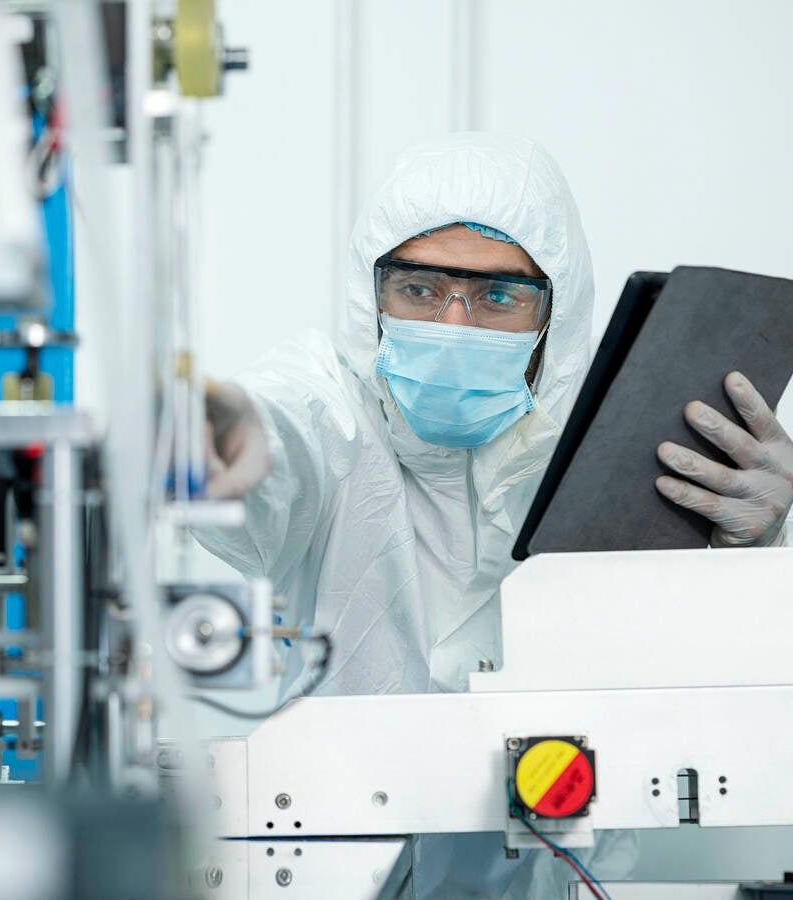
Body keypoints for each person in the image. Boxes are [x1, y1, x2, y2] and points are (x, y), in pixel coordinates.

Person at [196, 132, 793, 898]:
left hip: (569, 881)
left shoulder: (630, 447)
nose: (452, 325)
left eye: (498, 297)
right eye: (418, 290)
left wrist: (760, 549)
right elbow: (276, 435)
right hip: (325, 865)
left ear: (558, 309)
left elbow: (731, 699)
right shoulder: (330, 411)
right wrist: (219, 433)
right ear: (368, 294)